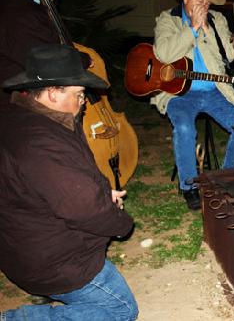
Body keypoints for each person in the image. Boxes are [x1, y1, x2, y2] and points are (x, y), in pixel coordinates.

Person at [0, 44, 138, 319]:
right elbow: (85, 208)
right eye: (79, 94)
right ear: (52, 93)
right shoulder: (41, 143)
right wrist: (122, 224)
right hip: (52, 261)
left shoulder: (27, 117)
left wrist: (99, 191)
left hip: (24, 243)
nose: (84, 101)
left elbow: (59, 186)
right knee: (121, 310)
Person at [151, 0, 234, 210]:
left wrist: (207, 30)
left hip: (215, 90)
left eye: (207, 1)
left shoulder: (217, 20)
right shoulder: (168, 19)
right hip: (179, 93)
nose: (203, 5)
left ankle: (224, 181)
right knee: (184, 128)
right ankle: (189, 186)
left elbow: (230, 56)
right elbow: (164, 54)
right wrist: (192, 28)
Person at [0, 0, 67, 108]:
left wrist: (46, 5)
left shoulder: (24, 1)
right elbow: (43, 57)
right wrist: (82, 59)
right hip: (19, 99)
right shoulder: (18, 10)